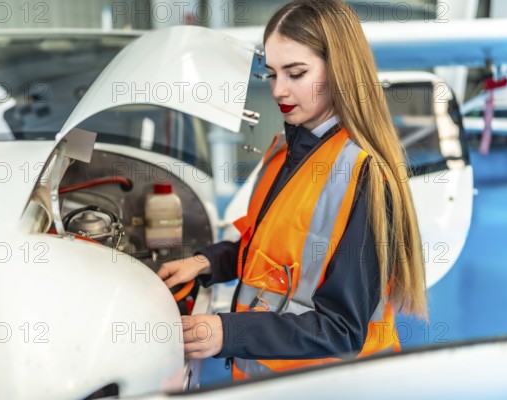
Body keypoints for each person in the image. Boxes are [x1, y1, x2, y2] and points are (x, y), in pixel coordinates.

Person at [157, 0, 427, 380]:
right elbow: (270, 255)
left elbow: (342, 330)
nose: (279, 90)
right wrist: (207, 263)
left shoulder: (365, 177)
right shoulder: (288, 149)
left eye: (296, 73)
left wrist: (227, 331)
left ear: (340, 70)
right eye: (270, 74)